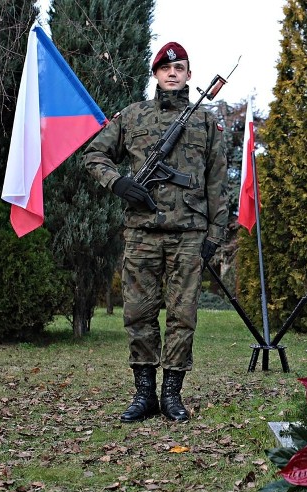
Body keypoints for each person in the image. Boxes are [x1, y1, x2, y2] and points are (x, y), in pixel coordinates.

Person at [83, 42, 229, 423]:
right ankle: (144, 393)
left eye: (180, 67)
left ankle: (172, 395)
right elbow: (93, 155)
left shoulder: (205, 125)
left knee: (183, 315)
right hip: (142, 233)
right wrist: (118, 183)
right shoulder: (131, 117)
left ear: (189, 75)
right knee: (138, 313)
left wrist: (215, 234)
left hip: (189, 234)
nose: (173, 73)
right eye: (166, 68)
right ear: (156, 74)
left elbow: (217, 185)